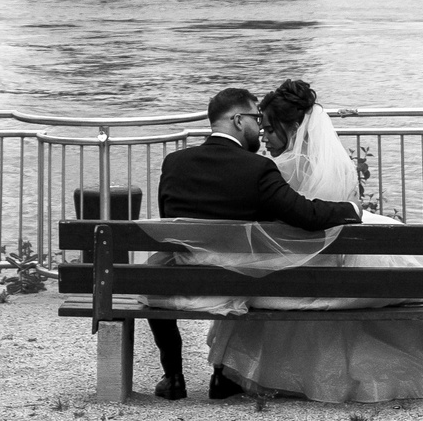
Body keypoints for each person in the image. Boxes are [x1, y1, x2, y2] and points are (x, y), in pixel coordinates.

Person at [202, 79, 423, 404]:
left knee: (251, 280)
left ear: (291, 128)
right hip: (343, 255)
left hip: (310, 267)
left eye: (268, 128)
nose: (264, 136)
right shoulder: (331, 165)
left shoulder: (272, 170)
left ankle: (246, 371)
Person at [149, 85, 362, 401]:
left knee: (152, 271)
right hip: (238, 284)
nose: (260, 127)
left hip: (183, 280)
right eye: (256, 118)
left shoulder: (174, 162)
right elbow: (306, 214)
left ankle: (173, 376)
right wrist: (352, 210)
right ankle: (229, 372)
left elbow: (169, 221)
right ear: (238, 120)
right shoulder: (257, 169)